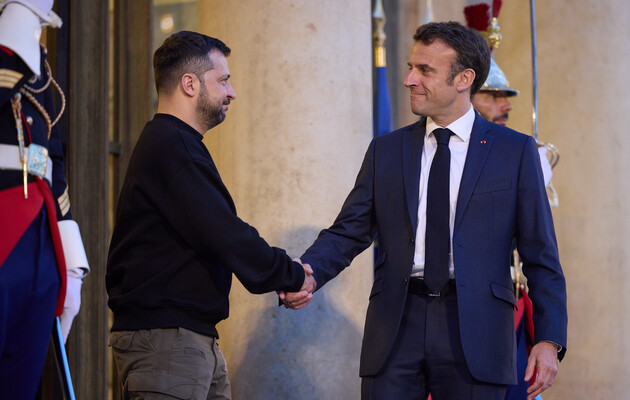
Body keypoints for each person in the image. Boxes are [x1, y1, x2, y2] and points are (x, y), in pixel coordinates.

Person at [281, 22, 567, 400]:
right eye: (411, 67)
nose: (409, 80)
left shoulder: (514, 152)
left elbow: (540, 253)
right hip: (395, 326)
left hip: (478, 332)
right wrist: (309, 272)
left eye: (425, 70)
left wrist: (548, 339)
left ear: (464, 79)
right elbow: (349, 230)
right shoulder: (387, 150)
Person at [106, 31, 315, 400]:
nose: (231, 92)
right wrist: (291, 274)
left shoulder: (175, 144)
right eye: (223, 80)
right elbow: (225, 234)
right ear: (190, 84)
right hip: (168, 341)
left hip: (186, 338)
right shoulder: (170, 146)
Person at [0, 0, 89, 398]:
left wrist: (71, 257)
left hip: (40, 240)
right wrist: (15, 30)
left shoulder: (36, 64)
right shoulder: (16, 49)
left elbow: (50, 159)